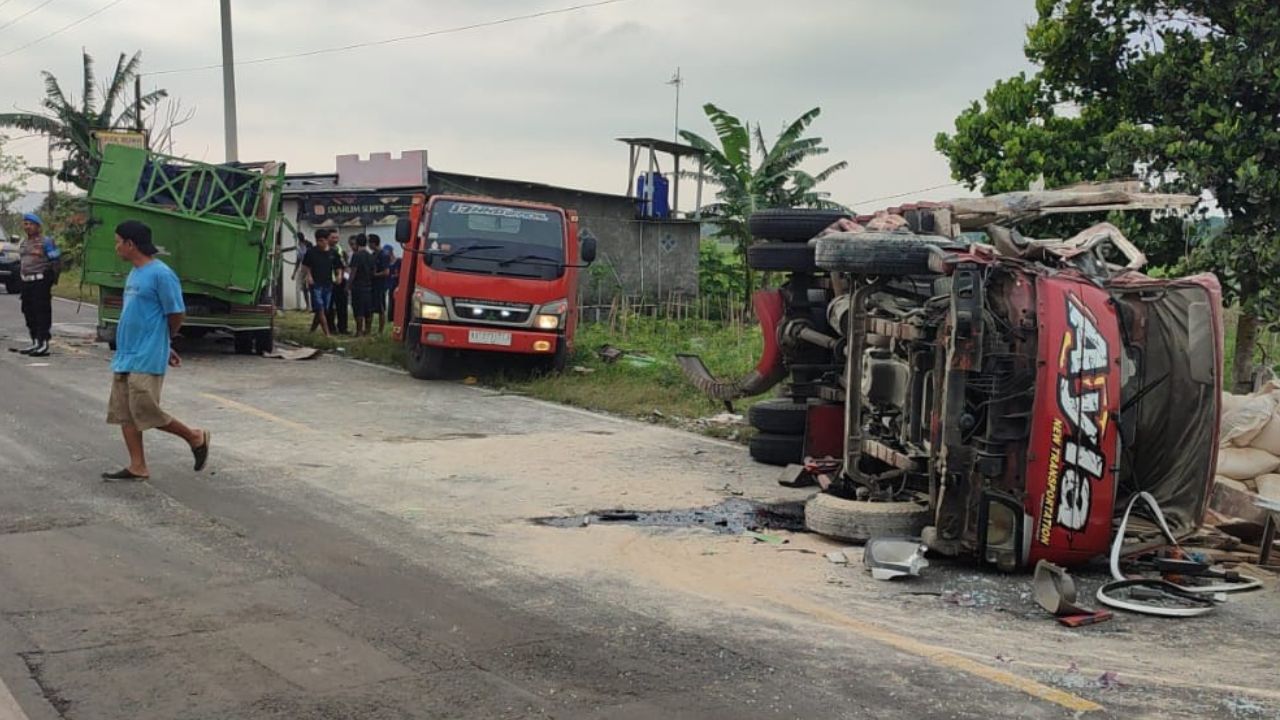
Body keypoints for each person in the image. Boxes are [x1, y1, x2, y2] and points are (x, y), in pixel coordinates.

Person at [101, 220, 210, 482]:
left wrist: (165, 341)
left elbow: (175, 312)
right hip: (126, 354)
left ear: (131, 244)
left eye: (118, 241)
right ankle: (137, 466)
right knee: (124, 412)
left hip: (145, 356)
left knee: (146, 409)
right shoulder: (135, 273)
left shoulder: (161, 274)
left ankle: (195, 437)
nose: (116, 247)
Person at [12, 213, 61, 357]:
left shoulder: (46, 242)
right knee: (28, 312)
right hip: (26, 282)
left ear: (38, 226)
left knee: (41, 313)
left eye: (31, 224)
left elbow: (56, 261)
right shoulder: (23, 243)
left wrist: (51, 279)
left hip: (40, 282)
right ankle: (34, 341)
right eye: (25, 223)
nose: (28, 226)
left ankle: (43, 342)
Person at [301, 229, 335, 336]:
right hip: (316, 284)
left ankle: (312, 331)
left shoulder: (332, 253)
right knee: (320, 308)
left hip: (328, 284)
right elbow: (305, 267)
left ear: (326, 240)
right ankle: (327, 334)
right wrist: (309, 276)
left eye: (322, 240)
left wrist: (339, 275)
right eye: (318, 241)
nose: (319, 243)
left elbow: (338, 266)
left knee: (323, 310)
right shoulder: (311, 252)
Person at [349, 234, 376, 336]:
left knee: (358, 310)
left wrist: (348, 285)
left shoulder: (356, 255)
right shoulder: (370, 256)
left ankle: (359, 331)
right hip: (369, 286)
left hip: (358, 286)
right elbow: (373, 272)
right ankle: (368, 330)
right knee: (367, 310)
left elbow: (353, 272)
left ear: (357, 243)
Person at [329, 235, 352, 335]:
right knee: (329, 307)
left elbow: (345, 265)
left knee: (342, 305)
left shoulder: (340, 250)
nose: (336, 240)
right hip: (328, 282)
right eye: (333, 238)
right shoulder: (325, 251)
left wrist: (345, 277)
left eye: (337, 238)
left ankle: (343, 328)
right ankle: (331, 328)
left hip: (341, 281)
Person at [369, 233, 390, 333]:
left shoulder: (384, 254)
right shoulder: (373, 255)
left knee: (381, 308)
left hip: (381, 285)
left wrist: (375, 275)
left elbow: (386, 272)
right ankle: (368, 328)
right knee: (371, 307)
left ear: (373, 243)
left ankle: (380, 330)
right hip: (373, 285)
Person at [292, 233, 312, 311]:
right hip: (302, 268)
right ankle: (307, 305)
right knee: (304, 288)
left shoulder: (308, 246)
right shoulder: (299, 248)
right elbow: (298, 261)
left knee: (309, 287)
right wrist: (294, 272)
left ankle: (313, 306)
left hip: (309, 268)